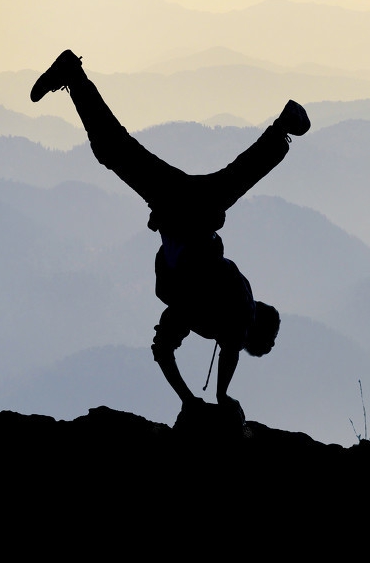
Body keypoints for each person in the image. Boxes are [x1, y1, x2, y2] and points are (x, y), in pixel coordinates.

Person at [30, 49, 309, 421]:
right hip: (193, 213)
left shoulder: (196, 309)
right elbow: (225, 345)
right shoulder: (238, 306)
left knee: (115, 149)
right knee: (124, 152)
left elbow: (163, 350)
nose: (238, 345)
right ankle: (282, 131)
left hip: (182, 210)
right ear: (251, 332)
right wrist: (219, 396)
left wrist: (190, 399)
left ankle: (74, 76)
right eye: (247, 343)